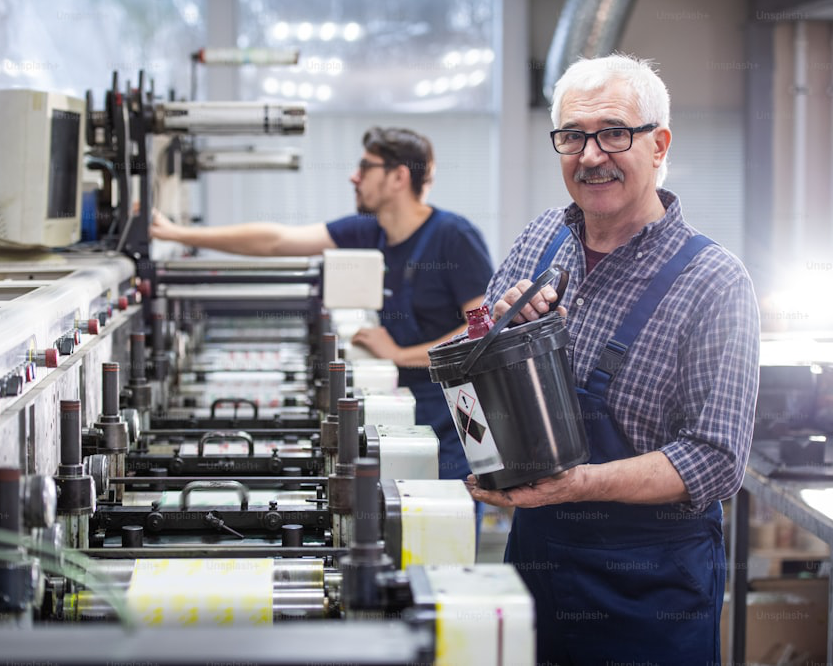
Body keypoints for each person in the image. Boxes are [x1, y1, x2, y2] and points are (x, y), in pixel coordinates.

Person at [466, 55, 760, 664]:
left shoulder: (714, 281)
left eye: (614, 133)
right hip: (537, 563)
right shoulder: (541, 238)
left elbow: (716, 460)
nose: (591, 155)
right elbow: (473, 349)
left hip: (649, 591)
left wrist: (578, 485)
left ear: (659, 145)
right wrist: (493, 328)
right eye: (573, 136)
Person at [150, 127, 494, 481]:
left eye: (365, 166)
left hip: (458, 420)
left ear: (398, 177)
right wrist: (176, 233)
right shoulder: (371, 230)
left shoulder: (453, 236)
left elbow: (482, 333)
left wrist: (399, 354)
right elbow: (278, 241)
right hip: (405, 411)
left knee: (447, 520)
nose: (354, 176)